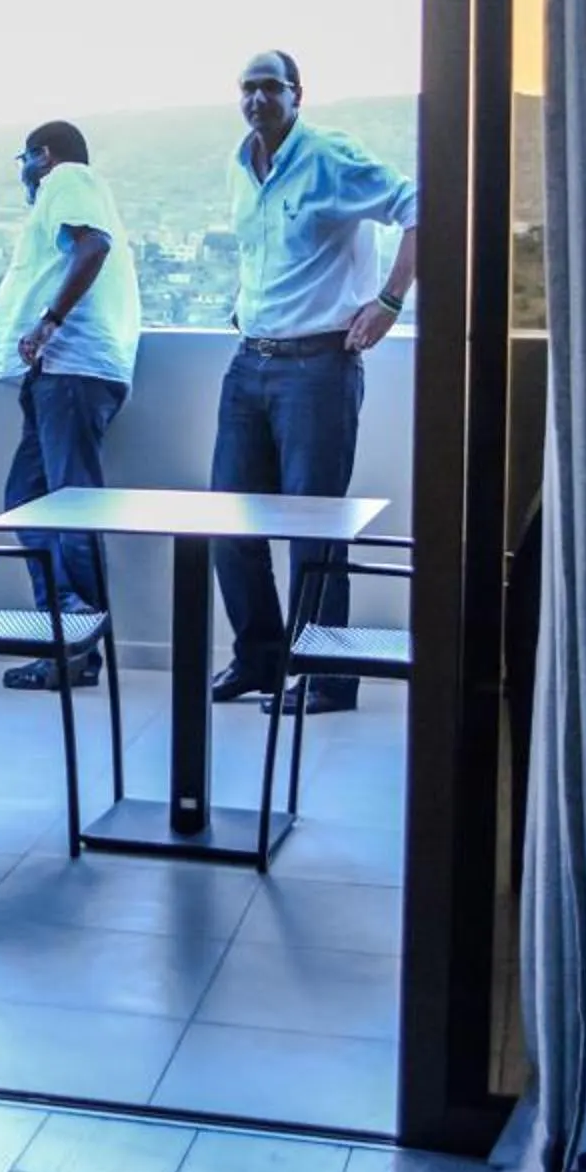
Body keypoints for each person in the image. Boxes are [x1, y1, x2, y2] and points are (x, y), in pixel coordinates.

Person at [207, 48, 419, 713]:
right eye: (249, 88)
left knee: (313, 528)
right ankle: (262, 661)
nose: (258, 99)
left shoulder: (329, 156)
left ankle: (327, 676)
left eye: (272, 87)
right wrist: (251, 306)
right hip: (251, 364)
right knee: (229, 523)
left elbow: (422, 204)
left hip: (317, 370)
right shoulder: (242, 167)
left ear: (298, 95)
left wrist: (388, 301)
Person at [0, 121, 140, 690]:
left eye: (22, 158)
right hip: (65, 372)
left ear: (41, 155)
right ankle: (69, 630)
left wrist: (47, 324)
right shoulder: (76, 190)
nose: (22, 171)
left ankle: (75, 640)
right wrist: (3, 324)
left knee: (67, 509)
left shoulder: (65, 178)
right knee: (28, 499)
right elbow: (57, 266)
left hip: (70, 371)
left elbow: (92, 247)